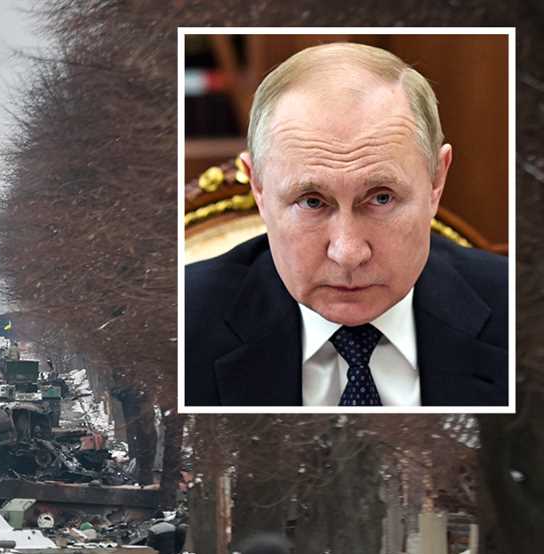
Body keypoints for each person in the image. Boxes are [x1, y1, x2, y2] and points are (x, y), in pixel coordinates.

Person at [185, 42, 508, 407]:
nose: (348, 253)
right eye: (311, 202)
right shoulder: (178, 328)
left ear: (436, 181)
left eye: (381, 198)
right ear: (257, 187)